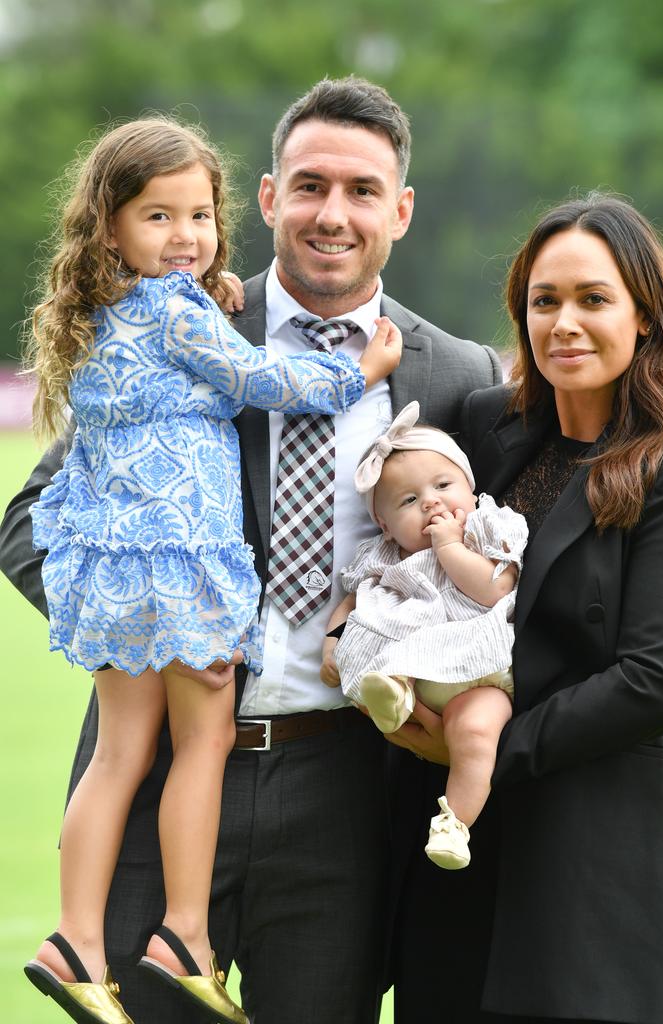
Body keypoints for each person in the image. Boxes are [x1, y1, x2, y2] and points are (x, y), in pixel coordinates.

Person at [0, 81, 663, 1023]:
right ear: (269, 199)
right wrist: (140, 626)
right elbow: (30, 518)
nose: (333, 214)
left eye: (363, 191)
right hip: (162, 773)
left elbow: (545, 543)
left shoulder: (459, 380)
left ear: (400, 210)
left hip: (352, 787)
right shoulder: (176, 325)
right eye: (310, 185)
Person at [18, 115, 401, 1024]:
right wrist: (359, 371)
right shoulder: (193, 317)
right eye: (160, 219)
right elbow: (267, 381)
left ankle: (74, 942)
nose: (184, 236)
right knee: (197, 741)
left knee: (120, 754)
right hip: (183, 585)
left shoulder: (115, 315)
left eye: (197, 217)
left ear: (402, 208)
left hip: (331, 777)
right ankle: (182, 933)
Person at [387, 193, 663, 1024]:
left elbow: (656, 678)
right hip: (460, 857)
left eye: (593, 299)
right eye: (544, 301)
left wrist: (480, 751)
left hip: (596, 857)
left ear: (645, 317)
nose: (565, 324)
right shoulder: (483, 430)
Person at [321, 400, 527, 870]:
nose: (431, 502)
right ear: (385, 524)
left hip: (481, 672)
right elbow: (354, 600)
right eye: (409, 501)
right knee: (383, 654)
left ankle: (454, 825)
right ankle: (393, 695)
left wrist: (449, 545)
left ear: (471, 489)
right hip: (413, 668)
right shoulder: (385, 554)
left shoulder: (484, 529)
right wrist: (333, 641)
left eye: (442, 485)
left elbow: (495, 589)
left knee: (476, 733)